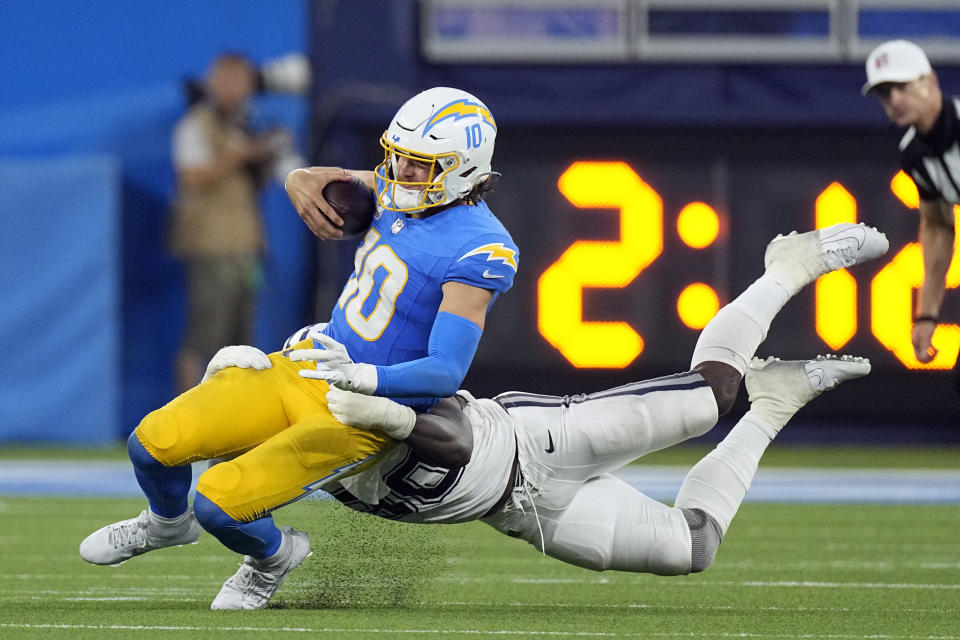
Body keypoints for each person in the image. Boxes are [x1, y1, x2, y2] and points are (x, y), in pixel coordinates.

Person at [213, 221, 888, 582]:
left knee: (713, 395)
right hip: (526, 513)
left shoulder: (339, 385)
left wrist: (386, 410)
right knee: (693, 548)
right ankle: (775, 403)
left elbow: (448, 430)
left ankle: (787, 266)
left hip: (537, 441)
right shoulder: (304, 467)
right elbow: (238, 512)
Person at [78, 87, 518, 610]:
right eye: (395, 157)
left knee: (219, 504)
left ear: (462, 170)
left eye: (417, 165)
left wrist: (363, 378)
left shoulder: (481, 247)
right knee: (150, 443)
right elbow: (342, 179)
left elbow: (445, 371)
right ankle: (167, 524)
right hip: (306, 367)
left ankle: (273, 556)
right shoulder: (399, 185)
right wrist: (298, 176)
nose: (398, 172)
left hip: (358, 410)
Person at [169, 52, 280, 393]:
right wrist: (240, 154)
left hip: (245, 246)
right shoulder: (195, 125)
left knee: (240, 344)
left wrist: (262, 157)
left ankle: (229, 420)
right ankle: (186, 416)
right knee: (204, 334)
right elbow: (192, 178)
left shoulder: (245, 126)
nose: (236, 89)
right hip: (210, 245)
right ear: (213, 83)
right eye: (228, 80)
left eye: (242, 81)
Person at [862, 39, 958, 367]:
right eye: (885, 93)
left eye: (901, 86)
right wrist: (927, 314)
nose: (894, 100)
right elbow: (937, 225)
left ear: (930, 80)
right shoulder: (914, 154)